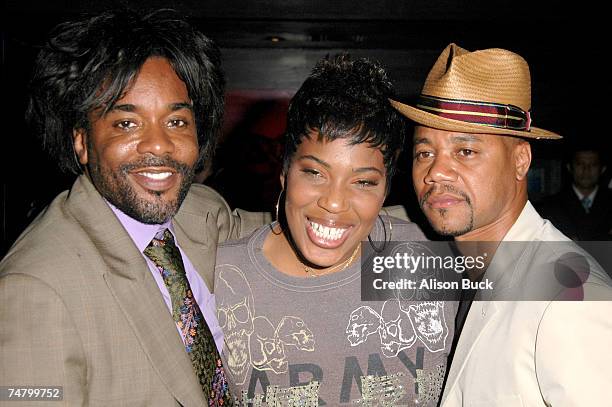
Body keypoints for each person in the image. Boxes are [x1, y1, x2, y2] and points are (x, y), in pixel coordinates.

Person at [0, 10, 261, 406]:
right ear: (82, 141)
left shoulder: (202, 212)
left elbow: (312, 234)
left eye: (176, 121)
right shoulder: (34, 290)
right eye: (126, 123)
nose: (158, 145)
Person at [213, 54, 457, 406]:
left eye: (363, 182)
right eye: (315, 173)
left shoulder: (430, 255)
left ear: (386, 190)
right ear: (284, 171)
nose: (335, 203)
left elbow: (556, 288)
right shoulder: (221, 279)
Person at [391, 43, 612, 406]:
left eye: (466, 151)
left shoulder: (572, 300)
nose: (435, 172)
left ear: (521, 161)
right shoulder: (464, 270)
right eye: (424, 152)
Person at [538, 143, 612, 240]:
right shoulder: (550, 206)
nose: (586, 170)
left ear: (602, 169)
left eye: (593, 165)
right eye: (580, 164)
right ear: (569, 167)